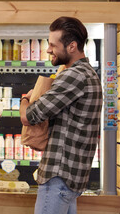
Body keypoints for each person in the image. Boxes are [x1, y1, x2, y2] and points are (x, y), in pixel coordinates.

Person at [20, 16, 102, 214]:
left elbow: (29, 116)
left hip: (59, 174)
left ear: (72, 46)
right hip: (71, 176)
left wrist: (26, 99)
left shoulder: (73, 75)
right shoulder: (89, 73)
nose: (48, 49)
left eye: (52, 45)